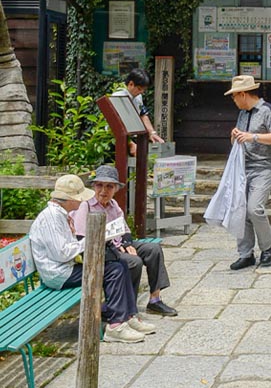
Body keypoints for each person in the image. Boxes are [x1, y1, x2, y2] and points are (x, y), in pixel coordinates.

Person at [28, 174, 147, 343]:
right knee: (114, 271)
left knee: (119, 262)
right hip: (58, 274)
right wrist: (93, 238)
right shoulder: (51, 218)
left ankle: (127, 315)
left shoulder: (60, 214)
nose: (82, 201)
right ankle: (116, 325)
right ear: (70, 199)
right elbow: (62, 254)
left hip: (66, 267)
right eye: (79, 198)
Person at [73, 165, 177, 317]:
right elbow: (81, 238)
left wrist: (127, 244)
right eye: (100, 185)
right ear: (94, 186)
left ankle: (155, 300)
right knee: (134, 262)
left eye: (109, 186)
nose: (103, 191)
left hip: (118, 244)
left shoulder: (113, 205)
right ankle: (127, 306)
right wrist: (114, 246)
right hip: (103, 251)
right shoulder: (86, 206)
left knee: (153, 249)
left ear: (115, 189)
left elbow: (125, 230)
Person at [225, 74, 271, 270]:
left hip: (263, 168)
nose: (233, 100)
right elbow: (240, 138)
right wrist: (235, 135)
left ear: (243, 94)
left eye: (234, 96)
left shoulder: (268, 110)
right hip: (242, 168)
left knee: (254, 209)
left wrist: (253, 137)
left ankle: (267, 248)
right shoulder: (242, 113)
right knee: (240, 210)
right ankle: (245, 254)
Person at [114, 69, 164, 152]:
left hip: (132, 137)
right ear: (131, 84)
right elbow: (115, 124)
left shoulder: (138, 97)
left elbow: (143, 114)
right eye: (139, 89)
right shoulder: (118, 97)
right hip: (116, 140)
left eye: (144, 90)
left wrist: (152, 133)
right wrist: (130, 144)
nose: (141, 92)